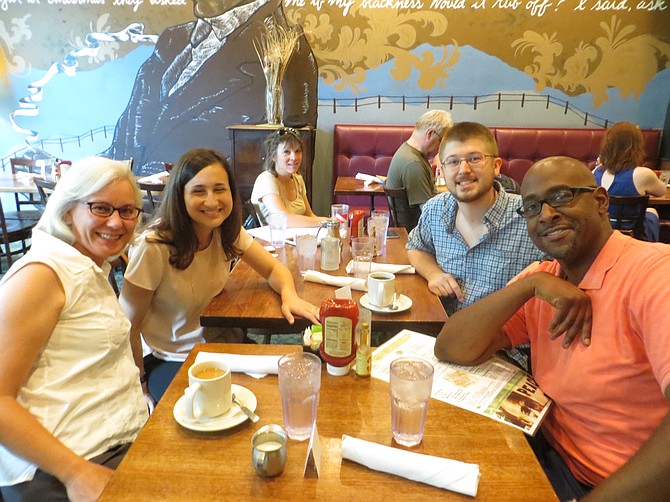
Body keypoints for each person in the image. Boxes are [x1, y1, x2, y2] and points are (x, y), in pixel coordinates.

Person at [434, 156, 670, 501]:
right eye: (531, 207)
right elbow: (451, 347)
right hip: (545, 456)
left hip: (611, 486)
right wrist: (529, 286)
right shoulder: (544, 278)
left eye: (562, 196)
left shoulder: (653, 275)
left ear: (601, 202)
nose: (546, 215)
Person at [120, 148, 320, 402]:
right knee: (212, 417)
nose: (212, 201)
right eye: (198, 191)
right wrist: (140, 384)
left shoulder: (225, 231)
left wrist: (289, 296)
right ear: (180, 196)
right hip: (172, 358)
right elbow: (128, 325)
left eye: (219, 189)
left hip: (224, 346)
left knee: (289, 390)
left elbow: (273, 269)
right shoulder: (154, 246)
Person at [0, 157, 148, 500]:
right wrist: (75, 473)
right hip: (60, 467)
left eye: (127, 211)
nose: (116, 222)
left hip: (111, 443)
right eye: (101, 208)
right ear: (68, 211)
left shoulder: (90, 266)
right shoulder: (42, 275)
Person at [105, 0, 318, 175]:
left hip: (212, 211)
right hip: (138, 206)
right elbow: (126, 137)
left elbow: (291, 163)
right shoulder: (173, 38)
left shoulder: (289, 52)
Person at [407, 121, 546, 316]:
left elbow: (566, 269)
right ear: (441, 170)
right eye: (453, 162)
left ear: (496, 166)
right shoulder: (435, 210)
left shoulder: (530, 217)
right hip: (443, 334)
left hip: (505, 343)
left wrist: (541, 272)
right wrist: (434, 274)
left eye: (474, 159)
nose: (463, 169)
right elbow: (416, 247)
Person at [593, 121, 666, 241]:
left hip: (601, 229)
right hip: (630, 232)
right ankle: (647, 250)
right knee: (652, 212)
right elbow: (661, 191)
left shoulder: (595, 172)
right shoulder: (643, 174)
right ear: (636, 147)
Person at [385, 110, 453, 229]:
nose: (440, 147)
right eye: (441, 141)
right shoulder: (413, 164)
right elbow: (429, 213)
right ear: (430, 134)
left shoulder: (407, 151)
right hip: (414, 233)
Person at [251, 127, 328, 227]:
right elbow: (284, 220)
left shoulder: (297, 178)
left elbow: (309, 215)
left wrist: (331, 224)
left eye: (297, 151)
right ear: (274, 156)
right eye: (286, 152)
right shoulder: (266, 180)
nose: (294, 157)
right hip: (273, 241)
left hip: (297, 239)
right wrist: (326, 222)